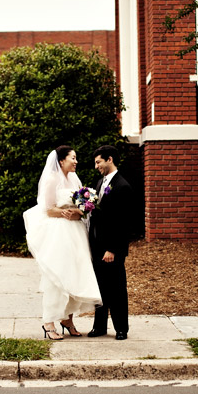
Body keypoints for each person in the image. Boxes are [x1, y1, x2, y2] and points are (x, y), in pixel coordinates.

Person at [23, 145, 102, 341]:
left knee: (75, 273)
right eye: (72, 158)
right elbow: (48, 209)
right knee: (57, 275)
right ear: (61, 161)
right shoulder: (51, 179)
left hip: (75, 231)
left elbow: (82, 206)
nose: (76, 161)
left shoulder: (74, 179)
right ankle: (48, 322)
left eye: (76, 158)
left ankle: (67, 319)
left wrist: (80, 211)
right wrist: (64, 213)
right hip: (58, 232)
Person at [87, 145, 133, 340]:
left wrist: (112, 249)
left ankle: (121, 328)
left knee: (117, 289)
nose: (96, 166)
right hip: (97, 246)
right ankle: (100, 327)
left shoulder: (123, 186)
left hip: (111, 249)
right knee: (100, 288)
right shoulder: (99, 183)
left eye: (99, 162)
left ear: (110, 159)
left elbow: (124, 222)